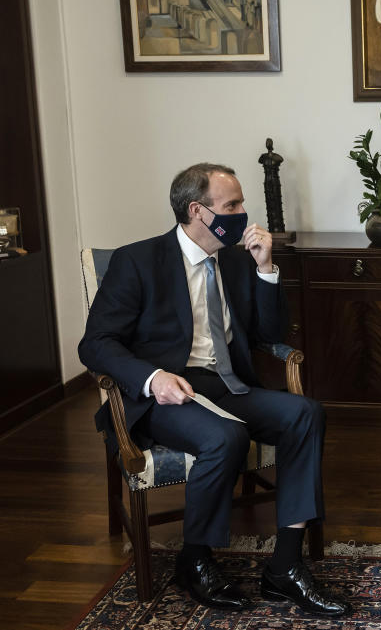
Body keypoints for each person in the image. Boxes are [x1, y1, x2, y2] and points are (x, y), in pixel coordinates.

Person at [79, 163, 349, 617]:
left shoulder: (239, 260)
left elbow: (270, 333)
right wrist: (152, 378)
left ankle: (284, 567)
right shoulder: (139, 260)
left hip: (228, 384)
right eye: (233, 205)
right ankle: (196, 558)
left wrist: (266, 269)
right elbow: (95, 344)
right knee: (225, 438)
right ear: (197, 211)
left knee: (306, 412)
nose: (244, 214)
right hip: (166, 393)